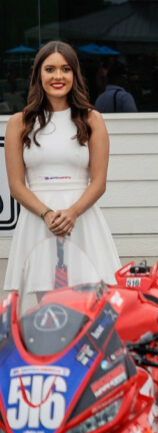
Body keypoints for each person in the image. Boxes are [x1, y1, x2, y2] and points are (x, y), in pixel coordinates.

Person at [3, 41, 120, 291]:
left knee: (89, 316)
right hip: (37, 224)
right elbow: (15, 185)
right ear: (38, 75)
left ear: (74, 75)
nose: (58, 76)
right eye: (50, 69)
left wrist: (73, 212)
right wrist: (47, 213)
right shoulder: (18, 123)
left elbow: (99, 182)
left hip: (82, 222)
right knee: (47, 319)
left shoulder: (92, 120)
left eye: (65, 69)